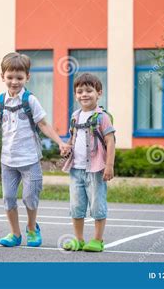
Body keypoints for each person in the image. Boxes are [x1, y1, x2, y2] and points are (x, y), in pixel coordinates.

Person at [0, 52, 71, 247]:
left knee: (30, 197)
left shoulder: (30, 100)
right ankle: (15, 234)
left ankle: (32, 228)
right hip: (8, 161)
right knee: (8, 198)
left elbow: (44, 125)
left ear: (27, 77)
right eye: (10, 77)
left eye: (19, 78)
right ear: (2, 77)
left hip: (30, 159)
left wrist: (61, 142)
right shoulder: (0, 102)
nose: (14, 82)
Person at [61, 73, 116, 252]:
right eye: (80, 91)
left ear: (99, 93)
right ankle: (79, 239)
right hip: (76, 169)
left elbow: (110, 141)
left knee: (97, 205)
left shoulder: (102, 117)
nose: (84, 94)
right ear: (75, 95)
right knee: (76, 206)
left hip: (96, 169)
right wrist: (67, 147)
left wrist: (109, 165)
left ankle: (97, 240)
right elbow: (72, 138)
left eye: (89, 90)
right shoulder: (75, 116)